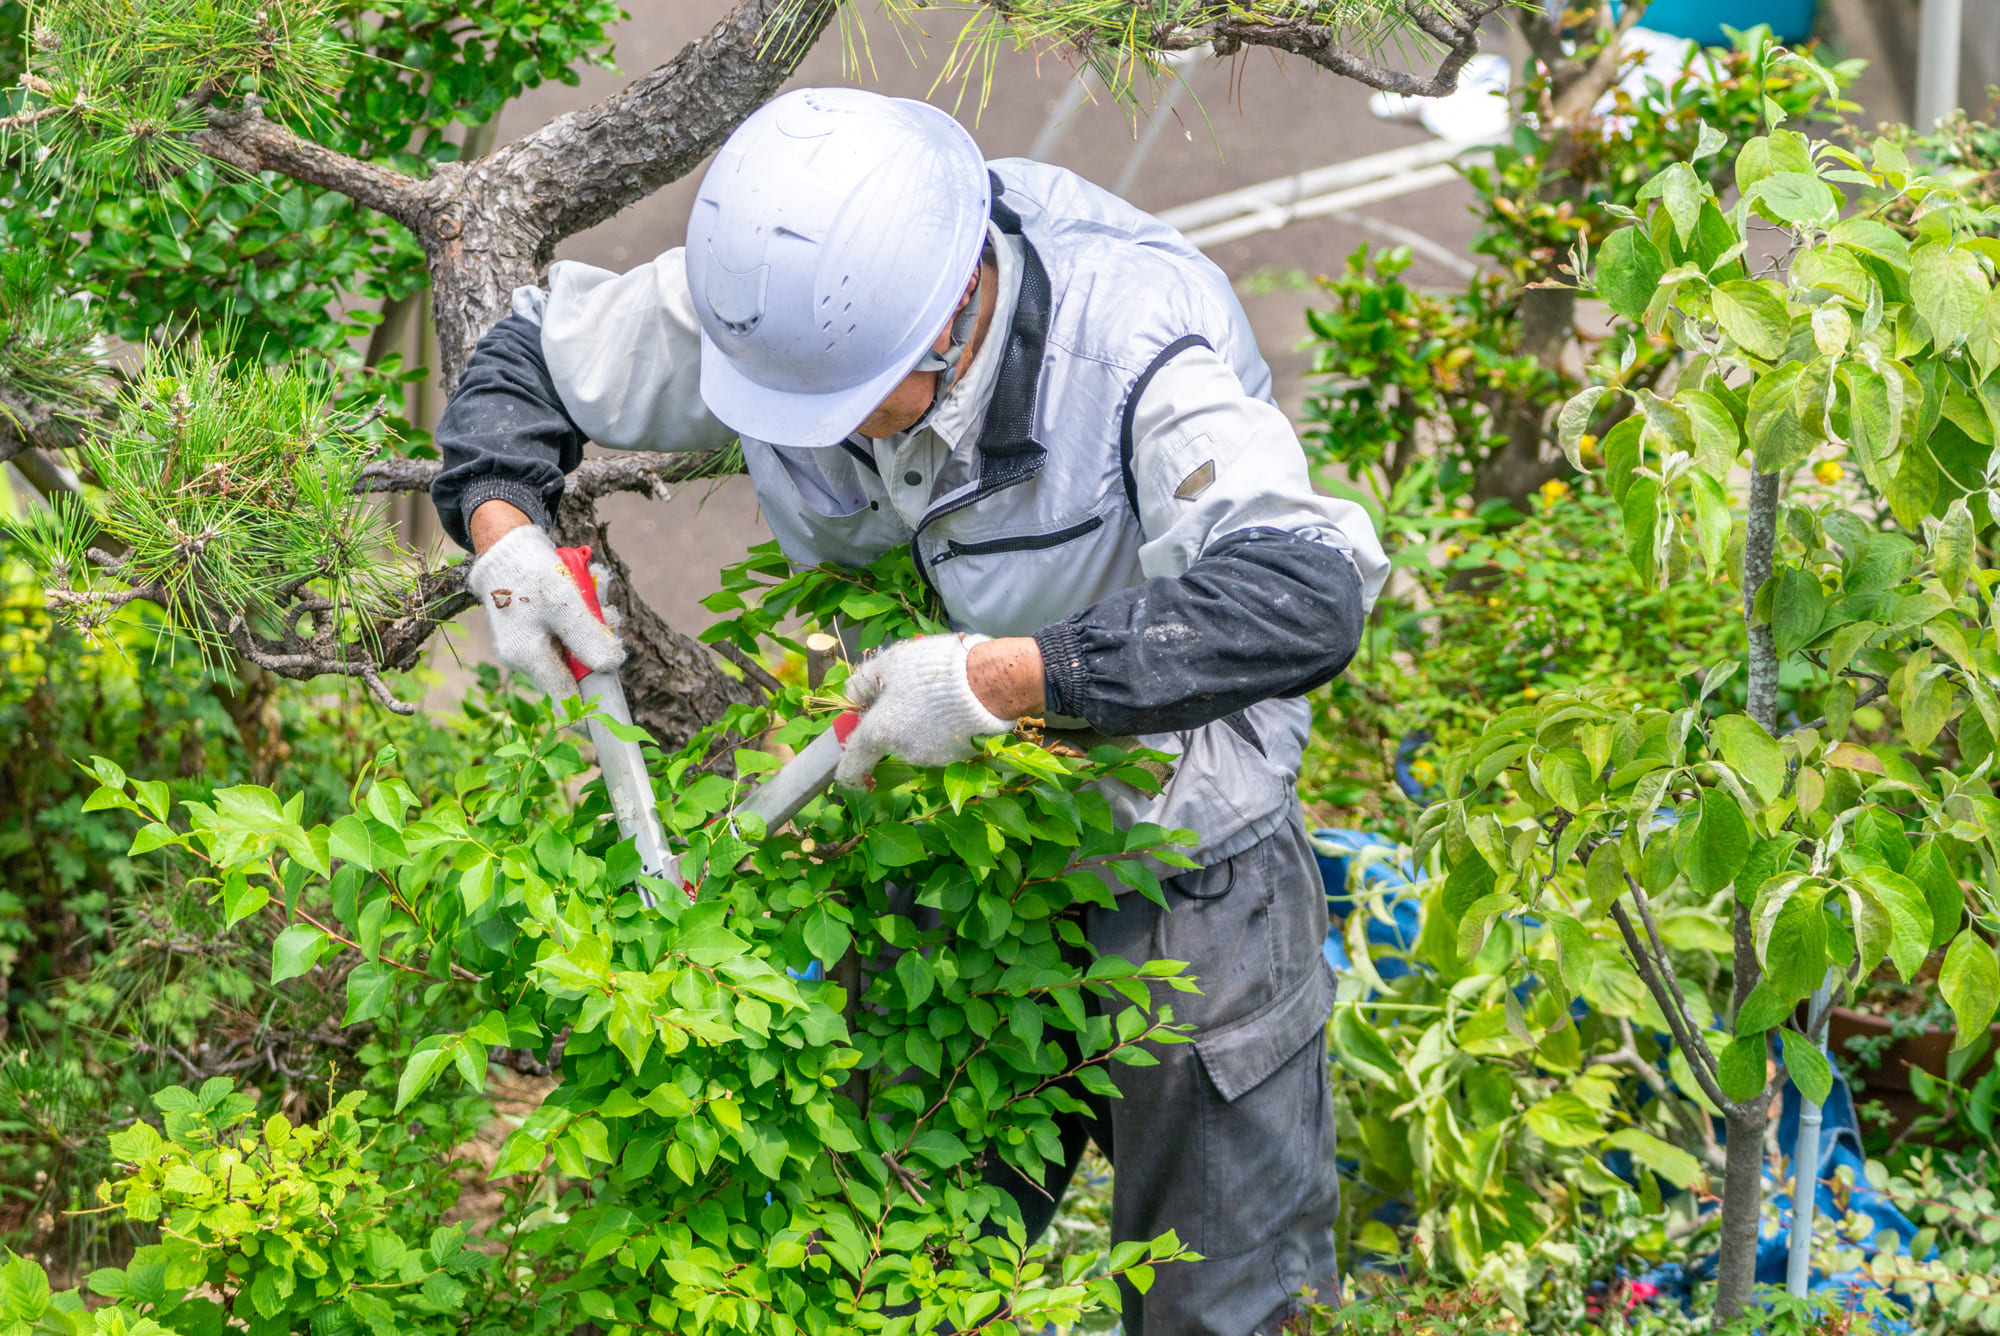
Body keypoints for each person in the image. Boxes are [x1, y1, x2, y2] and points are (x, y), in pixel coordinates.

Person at [431, 85, 1388, 1336]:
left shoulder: (1135, 344)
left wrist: (993, 679)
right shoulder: (787, 301)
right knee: (881, 1265)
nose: (808, 433)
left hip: (1184, 860)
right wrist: (504, 531)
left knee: (1224, 1302)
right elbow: (532, 359)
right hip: (943, 862)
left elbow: (1303, 593)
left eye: (846, 408)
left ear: (950, 324)